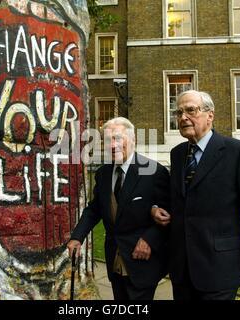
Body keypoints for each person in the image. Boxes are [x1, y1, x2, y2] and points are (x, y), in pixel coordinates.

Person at [152, 90, 240, 300]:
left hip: (220, 268)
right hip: (182, 268)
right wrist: (156, 209)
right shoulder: (178, 154)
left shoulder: (237, 151)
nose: (183, 117)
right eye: (178, 112)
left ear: (210, 115)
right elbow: (181, 200)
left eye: (190, 110)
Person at [67, 117, 170, 300]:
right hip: (114, 258)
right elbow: (94, 209)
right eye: (107, 140)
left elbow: (168, 214)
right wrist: (77, 237)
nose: (113, 145)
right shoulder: (103, 173)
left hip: (143, 261)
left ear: (132, 140)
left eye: (118, 138)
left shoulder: (154, 171)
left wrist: (149, 240)